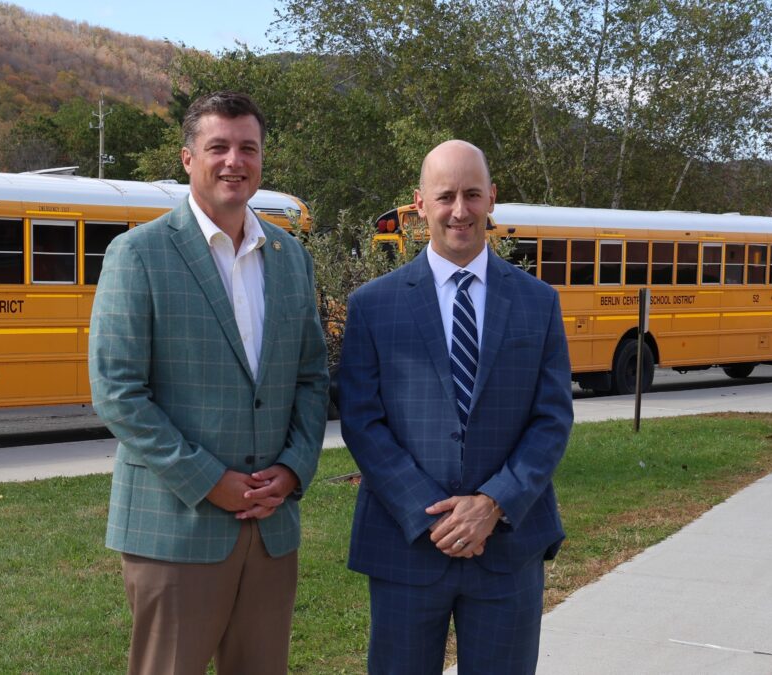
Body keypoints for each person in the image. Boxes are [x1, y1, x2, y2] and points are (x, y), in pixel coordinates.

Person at [89, 91, 329, 675]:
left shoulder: (290, 255)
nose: (234, 160)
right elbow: (118, 392)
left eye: (248, 147)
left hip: (271, 527)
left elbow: (311, 376)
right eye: (218, 146)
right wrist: (209, 481)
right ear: (187, 158)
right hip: (176, 526)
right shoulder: (139, 254)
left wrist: (295, 468)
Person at [338, 139, 573, 674]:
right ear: (420, 204)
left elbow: (552, 417)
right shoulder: (374, 306)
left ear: (492, 198)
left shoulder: (538, 302)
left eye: (472, 194)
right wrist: (433, 515)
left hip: (509, 545)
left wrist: (492, 503)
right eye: (445, 196)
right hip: (406, 543)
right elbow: (362, 420)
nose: (460, 210)